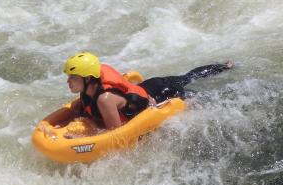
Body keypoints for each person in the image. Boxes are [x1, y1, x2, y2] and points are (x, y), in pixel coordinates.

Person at [43, 52, 232, 131]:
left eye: (73, 78)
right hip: (148, 87)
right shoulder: (89, 90)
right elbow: (78, 110)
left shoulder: (104, 99)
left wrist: (77, 135)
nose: (68, 81)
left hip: (162, 93)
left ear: (88, 79)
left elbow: (115, 135)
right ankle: (224, 67)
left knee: (195, 87)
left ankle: (224, 68)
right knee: (186, 78)